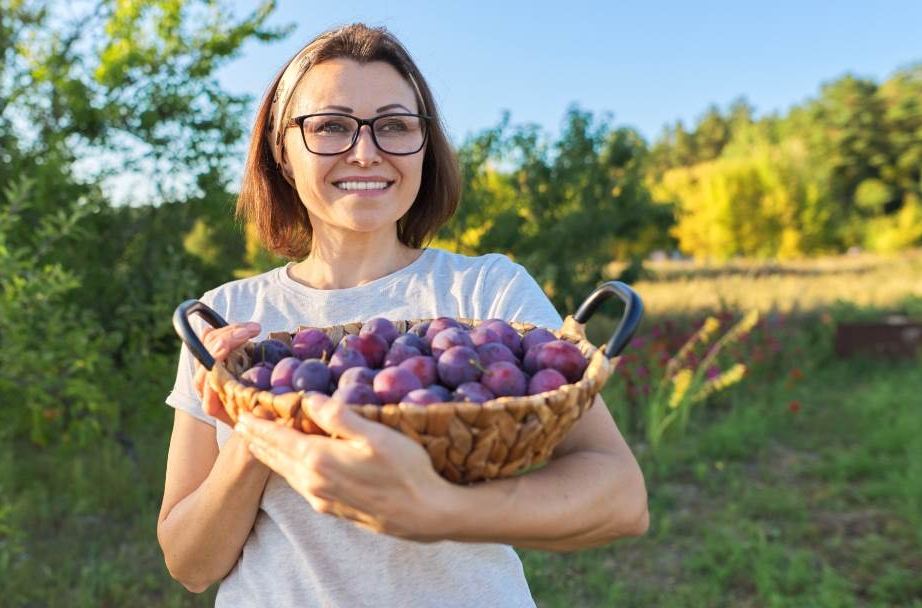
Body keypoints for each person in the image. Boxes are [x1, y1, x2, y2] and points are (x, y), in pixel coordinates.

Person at [157, 23, 649, 607]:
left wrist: (444, 510)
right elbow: (190, 565)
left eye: (394, 126)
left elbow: (621, 500)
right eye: (331, 126)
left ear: (424, 145)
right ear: (281, 152)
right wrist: (253, 430)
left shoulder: (485, 293)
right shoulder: (232, 320)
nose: (366, 151)